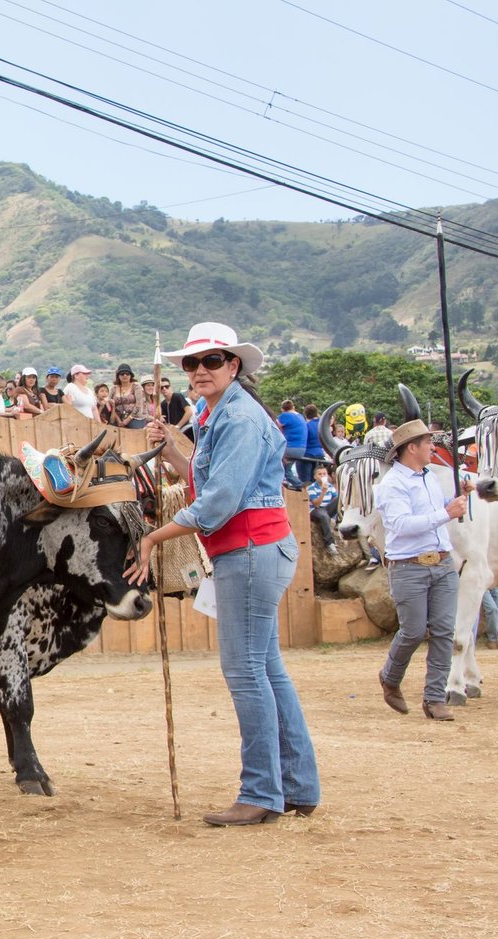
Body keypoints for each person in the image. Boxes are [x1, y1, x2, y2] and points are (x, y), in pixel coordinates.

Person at [126, 321, 319, 826]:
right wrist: (170, 446)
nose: (199, 371)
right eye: (191, 363)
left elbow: (217, 503)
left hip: (249, 550)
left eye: (211, 361)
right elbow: (202, 477)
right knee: (266, 667)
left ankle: (261, 792)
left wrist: (152, 537)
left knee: (245, 670)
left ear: (234, 365)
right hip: (255, 549)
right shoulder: (221, 414)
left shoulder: (236, 418)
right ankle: (296, 785)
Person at [375, 418, 472, 722]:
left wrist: (454, 500)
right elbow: (401, 526)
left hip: (442, 563)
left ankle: (434, 697)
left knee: (444, 631)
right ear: (412, 448)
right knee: (413, 631)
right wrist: (446, 512)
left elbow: (433, 511)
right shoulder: (392, 484)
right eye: (428, 442)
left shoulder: (429, 477)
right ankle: (390, 677)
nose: (433, 447)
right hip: (408, 567)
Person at [306, 464, 340, 556]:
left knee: (340, 499)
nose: (322, 476)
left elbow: (336, 499)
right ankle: (330, 543)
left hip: (327, 508)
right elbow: (316, 504)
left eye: (324, 474)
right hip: (316, 510)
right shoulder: (311, 488)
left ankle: (339, 523)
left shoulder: (330, 486)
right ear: (315, 477)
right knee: (323, 515)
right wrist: (323, 492)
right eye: (319, 474)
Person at [278, 400, 309, 489]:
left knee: (281, 468)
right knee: (287, 469)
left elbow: (274, 427)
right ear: (293, 407)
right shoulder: (300, 416)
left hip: (290, 448)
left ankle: (301, 486)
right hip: (301, 449)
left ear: (282, 409)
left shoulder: (285, 416)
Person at [109, 363, 147, 428]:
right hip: (117, 417)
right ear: (118, 376)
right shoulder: (113, 389)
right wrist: (118, 421)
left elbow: (139, 404)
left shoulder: (136, 387)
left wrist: (128, 419)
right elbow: (110, 404)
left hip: (135, 417)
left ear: (131, 375)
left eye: (127, 373)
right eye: (122, 374)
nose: (125, 375)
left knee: (135, 432)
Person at [302, 403, 325, 478]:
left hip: (308, 454)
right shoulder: (322, 425)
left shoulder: (306, 425)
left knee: (307, 479)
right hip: (320, 453)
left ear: (306, 414)